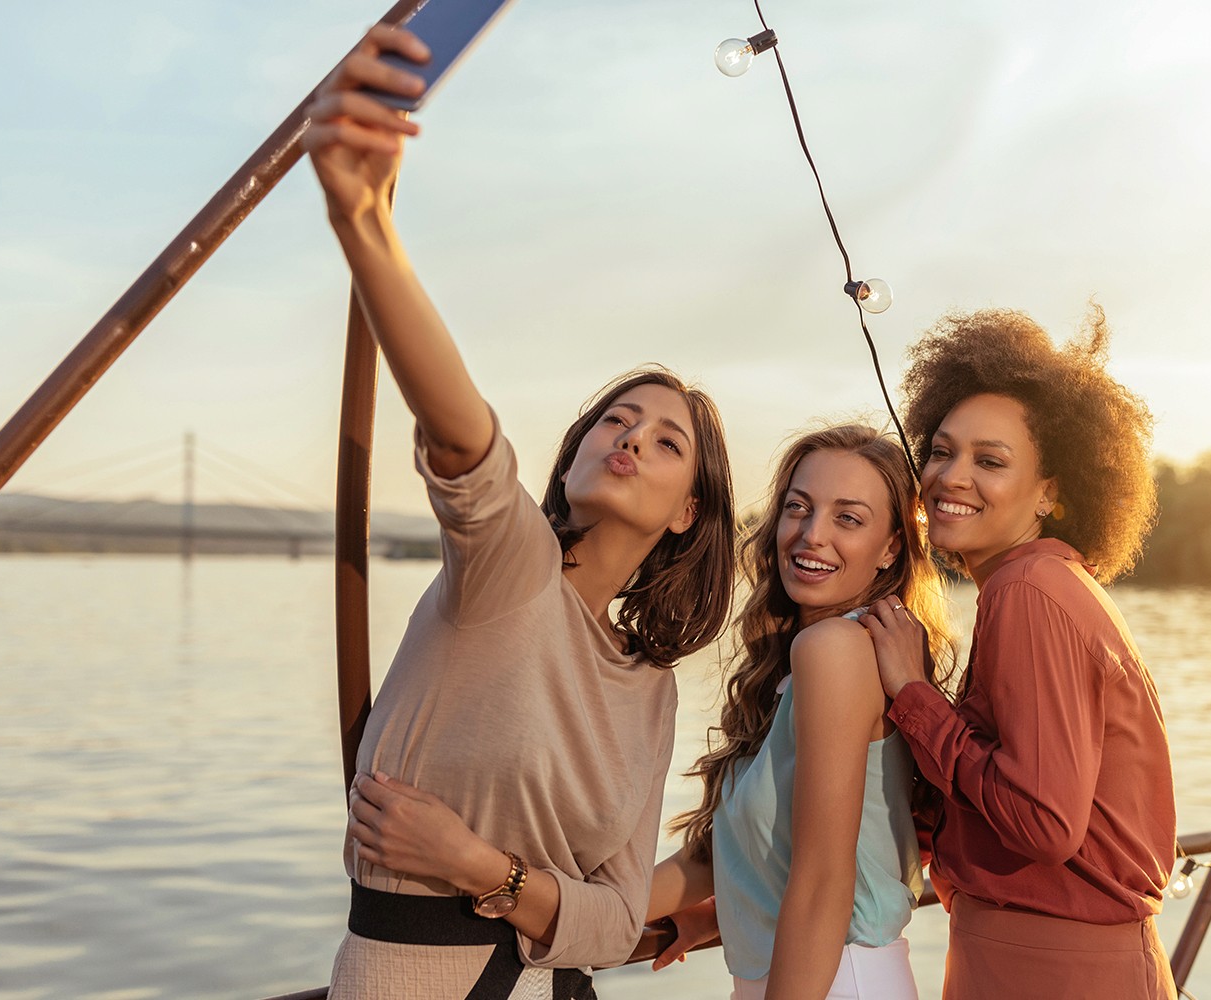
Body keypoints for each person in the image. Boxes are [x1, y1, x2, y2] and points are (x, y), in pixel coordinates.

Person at [303, 25, 736, 999]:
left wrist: (477, 865)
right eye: (614, 421)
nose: (629, 438)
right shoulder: (512, 563)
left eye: (665, 441)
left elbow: (619, 915)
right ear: (575, 448)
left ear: (685, 513)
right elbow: (463, 436)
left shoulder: (647, 689)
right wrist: (362, 223)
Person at [862, 307, 1177, 999]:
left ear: (1052, 492)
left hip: (1055, 972)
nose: (951, 476)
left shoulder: (1030, 592)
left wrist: (914, 695)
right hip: (1030, 959)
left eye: (991, 461)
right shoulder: (1043, 584)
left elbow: (1042, 822)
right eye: (941, 452)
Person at [645, 424, 956, 1000]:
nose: (811, 535)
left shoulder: (834, 650)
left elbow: (822, 883)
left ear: (891, 546)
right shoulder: (806, 661)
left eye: (848, 518)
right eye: (798, 508)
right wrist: (581, 911)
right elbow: (733, 852)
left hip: (837, 979)